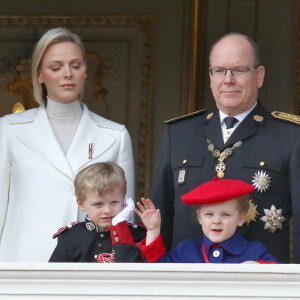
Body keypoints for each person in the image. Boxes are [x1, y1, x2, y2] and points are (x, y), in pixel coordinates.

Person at [151, 32, 300, 263]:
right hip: (185, 284)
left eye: (239, 70)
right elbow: (160, 216)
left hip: (259, 288)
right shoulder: (179, 133)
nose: (228, 79)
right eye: (219, 70)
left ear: (259, 76)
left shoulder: (290, 136)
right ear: (211, 77)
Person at [0, 28, 135, 262]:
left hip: (90, 267)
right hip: (24, 263)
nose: (67, 74)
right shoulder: (10, 129)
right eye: (56, 67)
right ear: (40, 75)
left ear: (85, 71)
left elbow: (124, 218)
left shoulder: (116, 135)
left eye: (75, 65)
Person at [136, 178, 277, 263]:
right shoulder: (186, 250)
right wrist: (153, 230)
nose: (216, 221)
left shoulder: (255, 251)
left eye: (225, 215)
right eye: (209, 214)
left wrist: (258, 267)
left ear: (240, 218)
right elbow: (157, 269)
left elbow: (280, 279)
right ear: (199, 217)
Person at [50, 162, 146, 262]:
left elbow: (132, 272)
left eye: (114, 202)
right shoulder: (70, 237)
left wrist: (120, 227)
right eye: (98, 204)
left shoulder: (137, 235)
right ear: (81, 204)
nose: (107, 210)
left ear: (125, 201)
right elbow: (53, 275)